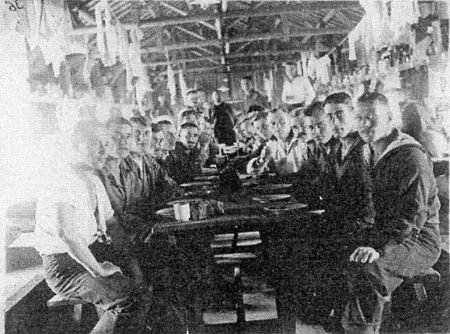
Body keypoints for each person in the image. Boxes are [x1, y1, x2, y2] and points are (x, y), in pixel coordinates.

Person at [35, 120, 150, 334]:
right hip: (65, 268)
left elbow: (111, 223)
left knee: (148, 282)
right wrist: (98, 270)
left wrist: (131, 257)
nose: (102, 150)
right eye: (94, 143)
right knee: (129, 298)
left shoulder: (93, 181)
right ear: (75, 146)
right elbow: (67, 233)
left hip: (89, 255)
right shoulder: (61, 179)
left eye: (105, 144)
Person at [342, 92, 441, 334]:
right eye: (360, 118)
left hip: (416, 240)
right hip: (383, 233)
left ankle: (363, 330)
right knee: (332, 252)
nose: (364, 124)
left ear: (389, 118)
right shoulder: (365, 152)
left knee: (369, 268)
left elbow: (412, 217)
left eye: (371, 118)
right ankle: (339, 323)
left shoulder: (410, 155)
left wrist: (377, 247)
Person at [314, 92, 375, 326]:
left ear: (353, 115)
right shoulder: (337, 150)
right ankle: (329, 312)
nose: (334, 122)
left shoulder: (364, 149)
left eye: (340, 115)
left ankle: (341, 317)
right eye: (329, 117)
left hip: (363, 228)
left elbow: (371, 203)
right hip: (341, 224)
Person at [247, 109, 307, 175]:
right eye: (273, 124)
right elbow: (253, 171)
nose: (277, 127)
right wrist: (261, 160)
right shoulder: (272, 146)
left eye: (282, 122)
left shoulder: (301, 142)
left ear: (289, 122)